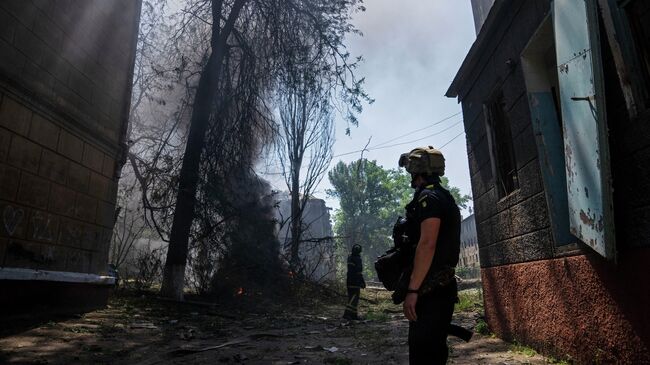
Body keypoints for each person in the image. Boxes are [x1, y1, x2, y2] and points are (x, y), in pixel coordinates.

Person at [398, 146, 461, 365]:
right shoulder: (442, 196)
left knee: (424, 354)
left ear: (418, 171)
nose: (411, 179)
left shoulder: (429, 198)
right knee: (433, 351)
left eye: (411, 172)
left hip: (431, 290)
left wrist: (413, 290)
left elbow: (427, 244)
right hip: (440, 288)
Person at [343, 244, 366, 320]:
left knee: (351, 297)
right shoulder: (358, 259)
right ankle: (347, 314)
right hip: (355, 281)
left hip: (349, 280)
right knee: (354, 298)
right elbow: (358, 271)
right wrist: (362, 281)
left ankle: (353, 315)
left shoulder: (350, 257)